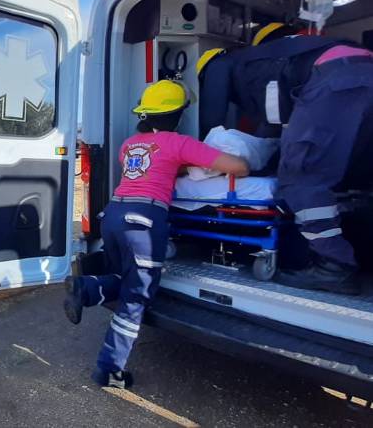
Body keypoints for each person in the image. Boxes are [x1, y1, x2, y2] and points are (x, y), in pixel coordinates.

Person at [63, 80, 249, 389]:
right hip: (143, 222)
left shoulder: (129, 145)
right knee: (136, 297)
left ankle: (84, 289)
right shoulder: (180, 143)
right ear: (178, 115)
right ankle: (109, 369)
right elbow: (237, 167)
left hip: (113, 215)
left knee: (126, 279)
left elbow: (154, 167)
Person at [197, 27, 373, 294]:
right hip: (364, 68)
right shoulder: (279, 56)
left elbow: (225, 127)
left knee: (301, 178)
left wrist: (205, 161)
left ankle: (334, 267)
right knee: (355, 168)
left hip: (336, 78)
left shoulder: (218, 67)